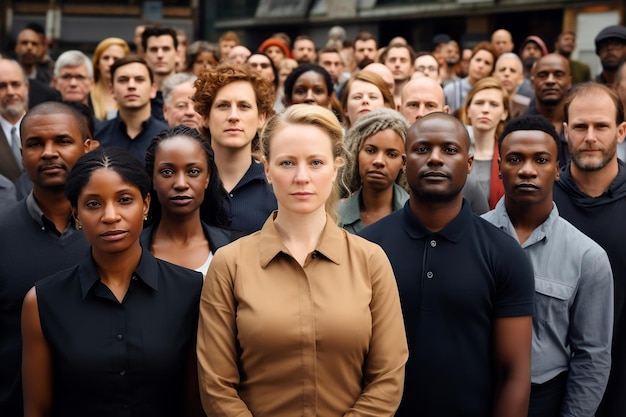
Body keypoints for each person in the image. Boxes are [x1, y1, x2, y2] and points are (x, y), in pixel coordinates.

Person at [197, 104, 408, 416]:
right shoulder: (230, 264)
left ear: (336, 167)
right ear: (267, 169)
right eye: (287, 163)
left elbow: (388, 377)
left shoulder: (371, 261)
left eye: (316, 162)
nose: (301, 177)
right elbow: (216, 386)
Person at [359, 112, 534, 417]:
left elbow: (515, 374)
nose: (435, 159)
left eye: (450, 150)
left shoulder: (504, 253)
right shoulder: (367, 247)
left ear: (468, 164)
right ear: (404, 161)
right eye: (422, 149)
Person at [21, 146, 204, 417]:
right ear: (76, 214)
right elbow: (37, 409)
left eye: (124, 200)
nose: (110, 216)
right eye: (93, 204)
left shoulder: (191, 290)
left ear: (146, 205)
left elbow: (197, 405)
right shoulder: (42, 302)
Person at [483, 115, 613, 417]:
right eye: (515, 159)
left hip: (544, 400)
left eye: (541, 160)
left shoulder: (587, 257)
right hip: (472, 392)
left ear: (557, 169)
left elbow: (592, 356)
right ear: (500, 167)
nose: (527, 170)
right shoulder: (471, 240)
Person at [0, 102, 94, 417]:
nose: (49, 152)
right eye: (36, 144)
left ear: (87, 147)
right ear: (22, 152)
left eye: (62, 141)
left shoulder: (117, 232)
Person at [553, 82, 626, 417]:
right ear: (565, 132)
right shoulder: (541, 200)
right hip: (552, 384)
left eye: (602, 126)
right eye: (580, 127)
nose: (591, 137)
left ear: (621, 131)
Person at [193, 64, 277, 235]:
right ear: (206, 117)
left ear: (261, 118)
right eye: (223, 105)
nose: (233, 116)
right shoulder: (187, 183)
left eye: (244, 106)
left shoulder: (277, 185)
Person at [142, 126, 235, 276]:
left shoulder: (235, 247)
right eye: (167, 172)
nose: (180, 184)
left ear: (207, 178)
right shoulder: (130, 250)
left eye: (193, 172)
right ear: (152, 178)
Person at [339, 108, 408, 233]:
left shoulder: (417, 216)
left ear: (404, 162)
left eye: (392, 154)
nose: (379, 161)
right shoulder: (333, 214)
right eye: (370, 151)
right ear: (356, 153)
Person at [94, 56, 168, 164]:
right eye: (123, 80)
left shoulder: (169, 138)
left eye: (139, 79)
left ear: (153, 90)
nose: (131, 86)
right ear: (112, 90)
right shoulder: (97, 136)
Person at [462, 76, 509, 209]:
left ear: (504, 113)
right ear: (468, 110)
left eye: (494, 104)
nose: (485, 109)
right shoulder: (453, 153)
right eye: (479, 103)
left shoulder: (509, 157)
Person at [525, 53, 572, 168]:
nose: (550, 81)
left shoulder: (583, 126)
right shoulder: (520, 128)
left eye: (558, 74)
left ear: (569, 81)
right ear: (532, 82)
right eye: (543, 75)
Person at [444, 41, 497, 115]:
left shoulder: (494, 94)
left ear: (492, 70)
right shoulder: (451, 89)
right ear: (470, 62)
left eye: (487, 63)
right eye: (478, 60)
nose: (481, 65)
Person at [142, 25, 179, 121]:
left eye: (166, 49)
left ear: (177, 54)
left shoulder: (191, 93)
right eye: (154, 49)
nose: (160, 55)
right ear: (145, 55)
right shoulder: (137, 94)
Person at [0, 59, 28, 183]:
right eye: (2, 86)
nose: (10, 92)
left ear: (26, 88)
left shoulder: (47, 126)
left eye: (15, 84)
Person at [90, 37, 130, 121]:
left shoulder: (132, 93)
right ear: (97, 63)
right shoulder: (87, 92)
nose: (110, 63)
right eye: (106, 58)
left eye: (116, 59)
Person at [380, 43, 416, 109]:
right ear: (383, 64)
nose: (397, 64)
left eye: (403, 60)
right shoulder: (376, 97)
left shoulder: (418, 96)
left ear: (412, 67)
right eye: (392, 60)